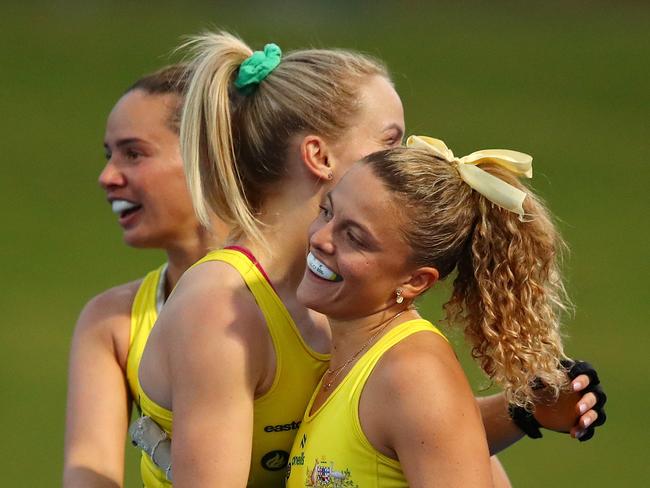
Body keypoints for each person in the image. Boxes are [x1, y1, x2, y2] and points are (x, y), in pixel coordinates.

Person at [138, 31, 605, 487]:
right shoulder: (227, 308)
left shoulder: (353, 301)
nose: (408, 159)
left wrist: (518, 409)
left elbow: (413, 431)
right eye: (391, 140)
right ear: (319, 156)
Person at [286, 137, 572, 485]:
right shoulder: (350, 359)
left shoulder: (413, 375)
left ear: (414, 282)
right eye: (327, 211)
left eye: (354, 237)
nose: (320, 238)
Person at [63, 65, 228, 487]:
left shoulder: (314, 304)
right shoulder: (112, 323)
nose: (107, 177)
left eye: (133, 154)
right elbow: (89, 472)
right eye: (109, 155)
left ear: (208, 158)